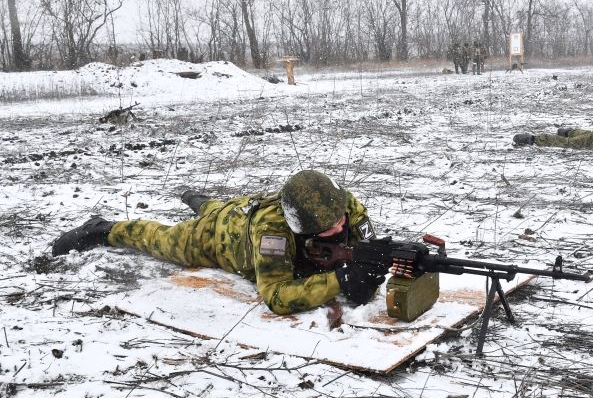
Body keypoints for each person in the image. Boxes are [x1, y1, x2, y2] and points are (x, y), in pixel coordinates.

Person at [50, 170, 388, 315]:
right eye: (330, 227)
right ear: (302, 230)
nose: (342, 225)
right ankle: (102, 228)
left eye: (341, 217)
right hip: (219, 239)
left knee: (217, 205)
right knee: (162, 239)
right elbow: (277, 296)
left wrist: (372, 269)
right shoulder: (274, 233)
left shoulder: (343, 204)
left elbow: (365, 246)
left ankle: (199, 200)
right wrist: (339, 280)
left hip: (246, 207)